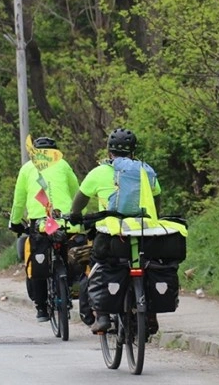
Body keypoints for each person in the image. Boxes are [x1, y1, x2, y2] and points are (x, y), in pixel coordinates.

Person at [69, 128, 162, 334]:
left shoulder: (99, 172)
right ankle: (151, 314)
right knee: (149, 265)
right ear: (133, 152)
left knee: (99, 264)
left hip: (112, 234)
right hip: (143, 232)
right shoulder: (145, 171)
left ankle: (102, 316)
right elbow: (157, 200)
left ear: (109, 151)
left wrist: (75, 215)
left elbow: (80, 200)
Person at [8, 136, 80, 322]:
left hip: (40, 225)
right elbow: (78, 193)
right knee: (71, 253)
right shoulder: (63, 164)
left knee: (36, 260)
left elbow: (18, 201)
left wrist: (15, 222)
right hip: (66, 222)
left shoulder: (27, 168)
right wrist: (80, 216)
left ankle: (41, 308)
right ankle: (69, 288)